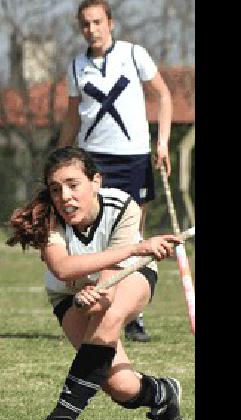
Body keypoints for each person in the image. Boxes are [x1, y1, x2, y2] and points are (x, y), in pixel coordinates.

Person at [6, 146, 187, 420]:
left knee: (109, 316)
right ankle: (163, 395)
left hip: (127, 277)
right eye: (56, 188)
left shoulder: (123, 207)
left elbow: (109, 290)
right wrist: (134, 249)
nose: (65, 196)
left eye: (73, 185)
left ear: (96, 182)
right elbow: (63, 267)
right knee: (120, 386)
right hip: (68, 291)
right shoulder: (48, 215)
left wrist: (101, 293)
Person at [58, 0, 174, 343]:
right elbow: (72, 115)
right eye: (85, 24)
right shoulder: (77, 67)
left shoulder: (134, 55)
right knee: (94, 235)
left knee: (133, 236)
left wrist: (163, 142)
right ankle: (93, 305)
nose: (91, 30)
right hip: (94, 160)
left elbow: (164, 96)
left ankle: (133, 314)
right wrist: (60, 155)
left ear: (110, 23)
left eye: (97, 22)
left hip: (134, 158)